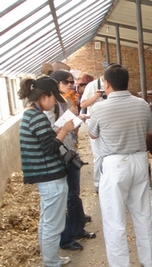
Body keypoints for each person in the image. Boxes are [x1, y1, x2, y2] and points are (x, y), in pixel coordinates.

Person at [88, 64, 152, 267]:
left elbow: (92, 134)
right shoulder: (142, 103)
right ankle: (148, 262)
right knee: (143, 215)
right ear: (127, 82)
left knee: (114, 220)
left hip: (115, 164)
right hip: (139, 161)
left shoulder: (100, 107)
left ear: (106, 84)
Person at [18, 76, 74, 266]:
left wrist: (56, 129)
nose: (55, 102)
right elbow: (50, 148)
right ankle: (51, 263)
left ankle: (50, 258)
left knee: (46, 220)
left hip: (44, 176)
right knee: (53, 224)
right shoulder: (38, 117)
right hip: (50, 177)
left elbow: (43, 142)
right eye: (53, 98)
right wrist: (64, 131)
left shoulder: (29, 114)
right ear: (43, 96)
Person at [47, 70, 96, 251]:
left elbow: (69, 129)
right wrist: (69, 120)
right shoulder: (51, 105)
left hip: (70, 151)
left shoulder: (64, 101)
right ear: (56, 83)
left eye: (71, 82)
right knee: (66, 196)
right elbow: (52, 131)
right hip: (60, 153)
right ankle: (67, 237)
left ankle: (78, 227)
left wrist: (76, 119)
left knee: (73, 194)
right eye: (66, 82)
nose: (70, 85)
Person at [80, 73, 107, 193]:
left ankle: (107, 181)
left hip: (109, 124)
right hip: (95, 123)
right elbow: (83, 104)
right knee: (98, 156)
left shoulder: (113, 85)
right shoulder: (91, 86)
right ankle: (98, 183)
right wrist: (96, 96)